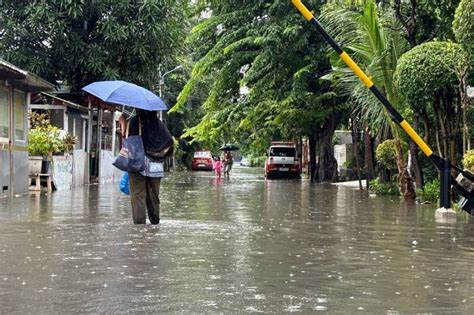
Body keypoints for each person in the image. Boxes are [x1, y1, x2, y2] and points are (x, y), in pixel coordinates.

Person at [127, 109, 171, 225]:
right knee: (154, 196)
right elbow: (170, 142)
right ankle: (155, 223)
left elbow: (131, 143)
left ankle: (139, 227)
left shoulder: (135, 121)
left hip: (138, 164)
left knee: (138, 196)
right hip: (156, 167)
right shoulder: (159, 124)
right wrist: (160, 156)